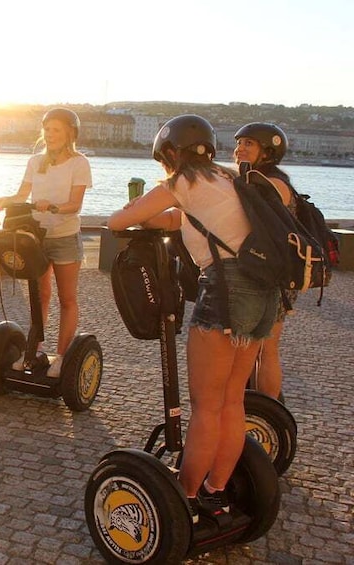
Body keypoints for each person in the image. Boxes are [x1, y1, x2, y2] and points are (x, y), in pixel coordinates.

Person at [106, 114, 279, 523]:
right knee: (232, 401)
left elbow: (116, 222)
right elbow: (182, 222)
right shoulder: (228, 179)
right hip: (264, 292)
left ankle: (182, 499)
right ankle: (215, 491)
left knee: (205, 406)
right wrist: (157, 214)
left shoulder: (180, 184)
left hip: (225, 291)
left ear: (169, 153)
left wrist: (142, 203)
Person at [0, 108, 92, 378]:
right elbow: (22, 194)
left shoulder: (79, 163)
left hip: (65, 237)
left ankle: (61, 357)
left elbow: (75, 204)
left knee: (66, 298)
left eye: (57, 129)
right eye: (47, 129)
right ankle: (34, 351)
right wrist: (3, 200)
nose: (50, 134)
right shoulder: (35, 161)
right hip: (36, 236)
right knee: (40, 295)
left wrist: (54, 207)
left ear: (70, 133)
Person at [233, 122, 295, 400]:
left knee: (267, 348)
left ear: (268, 152)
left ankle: (270, 414)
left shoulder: (274, 184)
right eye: (239, 143)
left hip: (275, 276)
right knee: (252, 348)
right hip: (259, 271)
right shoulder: (251, 179)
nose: (240, 149)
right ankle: (249, 409)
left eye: (249, 144)